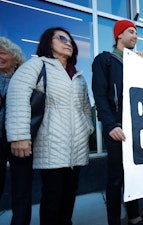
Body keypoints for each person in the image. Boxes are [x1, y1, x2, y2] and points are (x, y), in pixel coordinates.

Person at [6, 27, 93, 225]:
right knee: (52, 197)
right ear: (48, 42)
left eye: (70, 40)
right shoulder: (36, 64)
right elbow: (17, 95)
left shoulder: (78, 76)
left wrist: (87, 127)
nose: (68, 42)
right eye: (62, 38)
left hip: (77, 147)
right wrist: (19, 136)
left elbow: (86, 108)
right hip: (51, 144)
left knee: (69, 195)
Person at [92, 19, 143, 225]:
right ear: (119, 35)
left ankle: (135, 217)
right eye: (131, 32)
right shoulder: (105, 60)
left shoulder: (135, 62)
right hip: (116, 128)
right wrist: (110, 125)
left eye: (136, 33)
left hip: (136, 126)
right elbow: (100, 95)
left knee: (133, 174)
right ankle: (114, 221)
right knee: (116, 177)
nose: (135, 36)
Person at [0, 37, 30, 225]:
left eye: (3, 53)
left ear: (16, 59)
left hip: (20, 138)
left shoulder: (25, 80)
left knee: (22, 189)